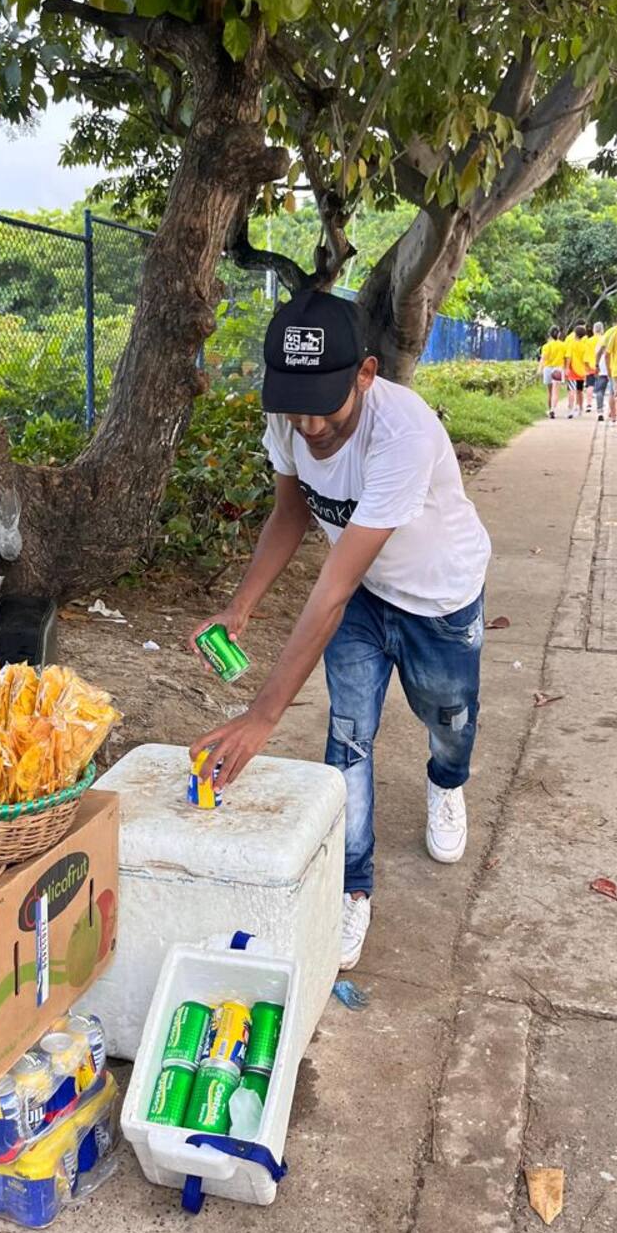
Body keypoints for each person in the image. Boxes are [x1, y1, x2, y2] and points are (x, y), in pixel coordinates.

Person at [189, 290, 492, 968]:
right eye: (292, 404)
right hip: (362, 603)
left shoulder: (403, 432)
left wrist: (263, 714)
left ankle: (448, 779)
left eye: (323, 401)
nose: (308, 423)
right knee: (348, 740)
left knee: (447, 716)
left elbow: (333, 584)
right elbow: (291, 513)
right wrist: (239, 607)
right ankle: (351, 888)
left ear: (365, 373)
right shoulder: (292, 419)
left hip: (439, 599)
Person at [563, 323, 592, 419]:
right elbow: (586, 360)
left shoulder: (571, 344)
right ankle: (580, 408)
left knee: (571, 390)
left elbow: (568, 357)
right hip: (582, 371)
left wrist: (566, 368)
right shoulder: (585, 346)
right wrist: (588, 369)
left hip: (572, 371)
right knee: (580, 391)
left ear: (575, 334)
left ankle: (571, 409)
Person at [540, 326, 565, 418]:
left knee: (549, 392)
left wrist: (540, 369)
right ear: (559, 334)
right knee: (556, 392)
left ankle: (550, 409)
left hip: (547, 369)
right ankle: (553, 409)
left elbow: (543, 358)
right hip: (558, 369)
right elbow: (566, 358)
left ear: (549, 334)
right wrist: (566, 369)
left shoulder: (546, 346)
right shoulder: (563, 345)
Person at [590, 320, 609, 421]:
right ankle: (613, 413)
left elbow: (597, 354)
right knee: (614, 392)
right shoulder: (608, 339)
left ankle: (600, 411)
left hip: (602, 368)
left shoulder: (597, 341)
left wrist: (596, 366)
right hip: (612, 368)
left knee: (599, 391)